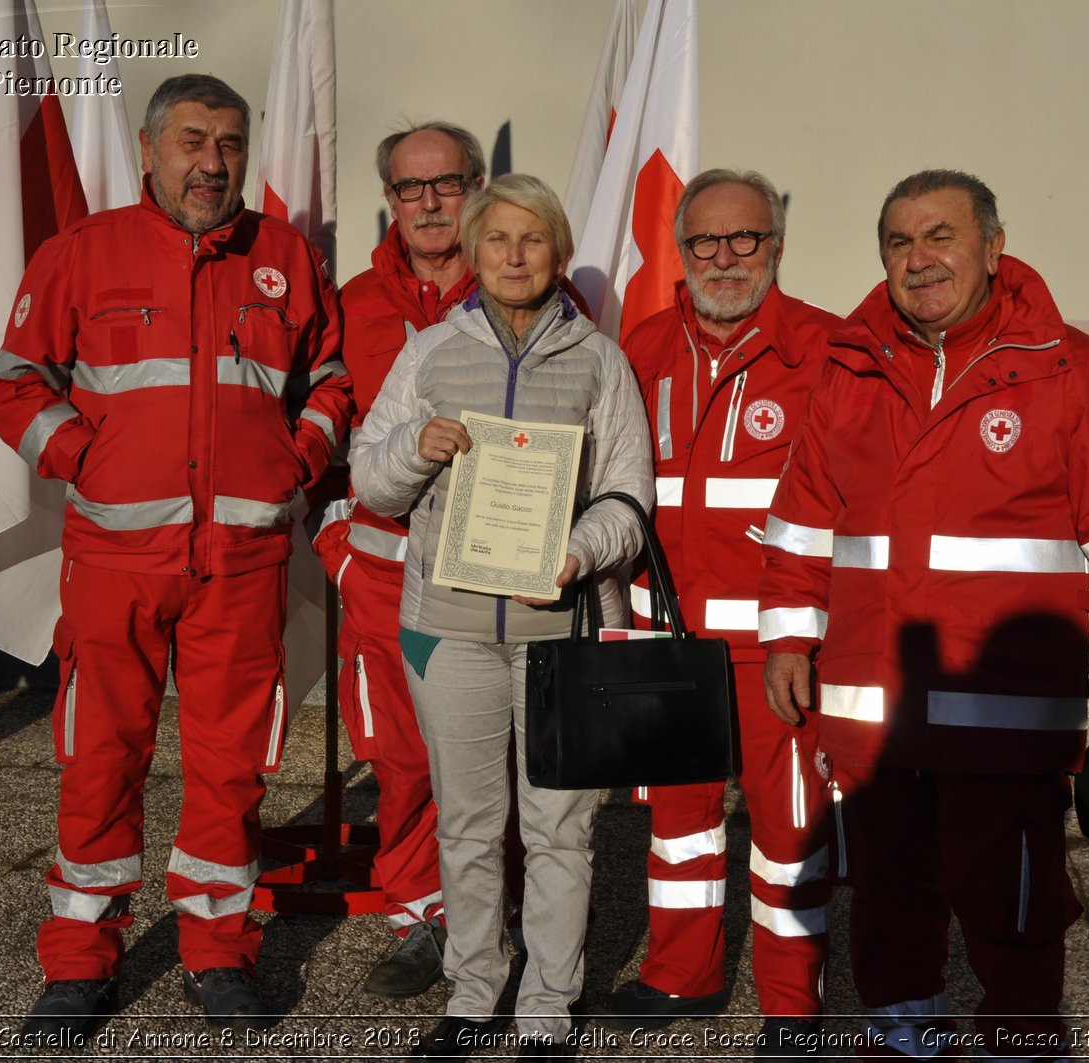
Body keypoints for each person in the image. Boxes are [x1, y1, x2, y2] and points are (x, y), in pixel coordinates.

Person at [760, 170, 1089, 1061]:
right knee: (884, 884)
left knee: (1015, 890)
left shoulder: (1074, 371)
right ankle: (904, 1028)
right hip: (872, 705)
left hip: (1004, 708)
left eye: (940, 236)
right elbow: (802, 519)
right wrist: (787, 635)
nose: (919, 260)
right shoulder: (850, 368)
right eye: (899, 243)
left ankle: (1020, 1034)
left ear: (994, 247)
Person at [0, 74, 351, 1038]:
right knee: (100, 755)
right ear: (150, 150)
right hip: (116, 555)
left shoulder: (286, 258)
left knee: (232, 764)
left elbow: (333, 381)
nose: (212, 162)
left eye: (230, 143)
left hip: (242, 558)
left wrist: (297, 462)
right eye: (192, 141)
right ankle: (77, 963)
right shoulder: (84, 254)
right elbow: (14, 383)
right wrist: (81, 459)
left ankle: (217, 951)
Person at [350, 174, 652, 1060]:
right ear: (474, 254)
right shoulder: (431, 352)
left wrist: (578, 553)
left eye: (532, 240)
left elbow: (632, 496)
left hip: (564, 635)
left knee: (560, 827)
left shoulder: (599, 359)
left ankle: (547, 1007)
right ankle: (475, 993)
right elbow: (370, 476)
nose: (514, 256)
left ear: (559, 255)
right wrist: (417, 447)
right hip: (447, 633)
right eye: (497, 241)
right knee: (468, 824)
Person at [596, 170, 841, 1055]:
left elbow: (843, 506)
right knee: (679, 827)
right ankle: (680, 977)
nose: (725, 259)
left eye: (746, 239)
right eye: (705, 241)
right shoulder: (643, 345)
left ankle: (791, 1008)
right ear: (681, 249)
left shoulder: (826, 349)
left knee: (788, 836)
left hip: (779, 647)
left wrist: (809, 634)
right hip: (670, 643)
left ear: (777, 246)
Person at [311, 121, 486, 999]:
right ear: (389, 197)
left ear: (477, 187)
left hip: (492, 579)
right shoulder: (351, 302)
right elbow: (314, 421)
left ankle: (494, 920)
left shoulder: (523, 285)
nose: (427, 202)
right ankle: (421, 916)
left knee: (492, 755)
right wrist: (334, 545)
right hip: (381, 577)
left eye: (446, 184)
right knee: (406, 758)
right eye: (410, 187)